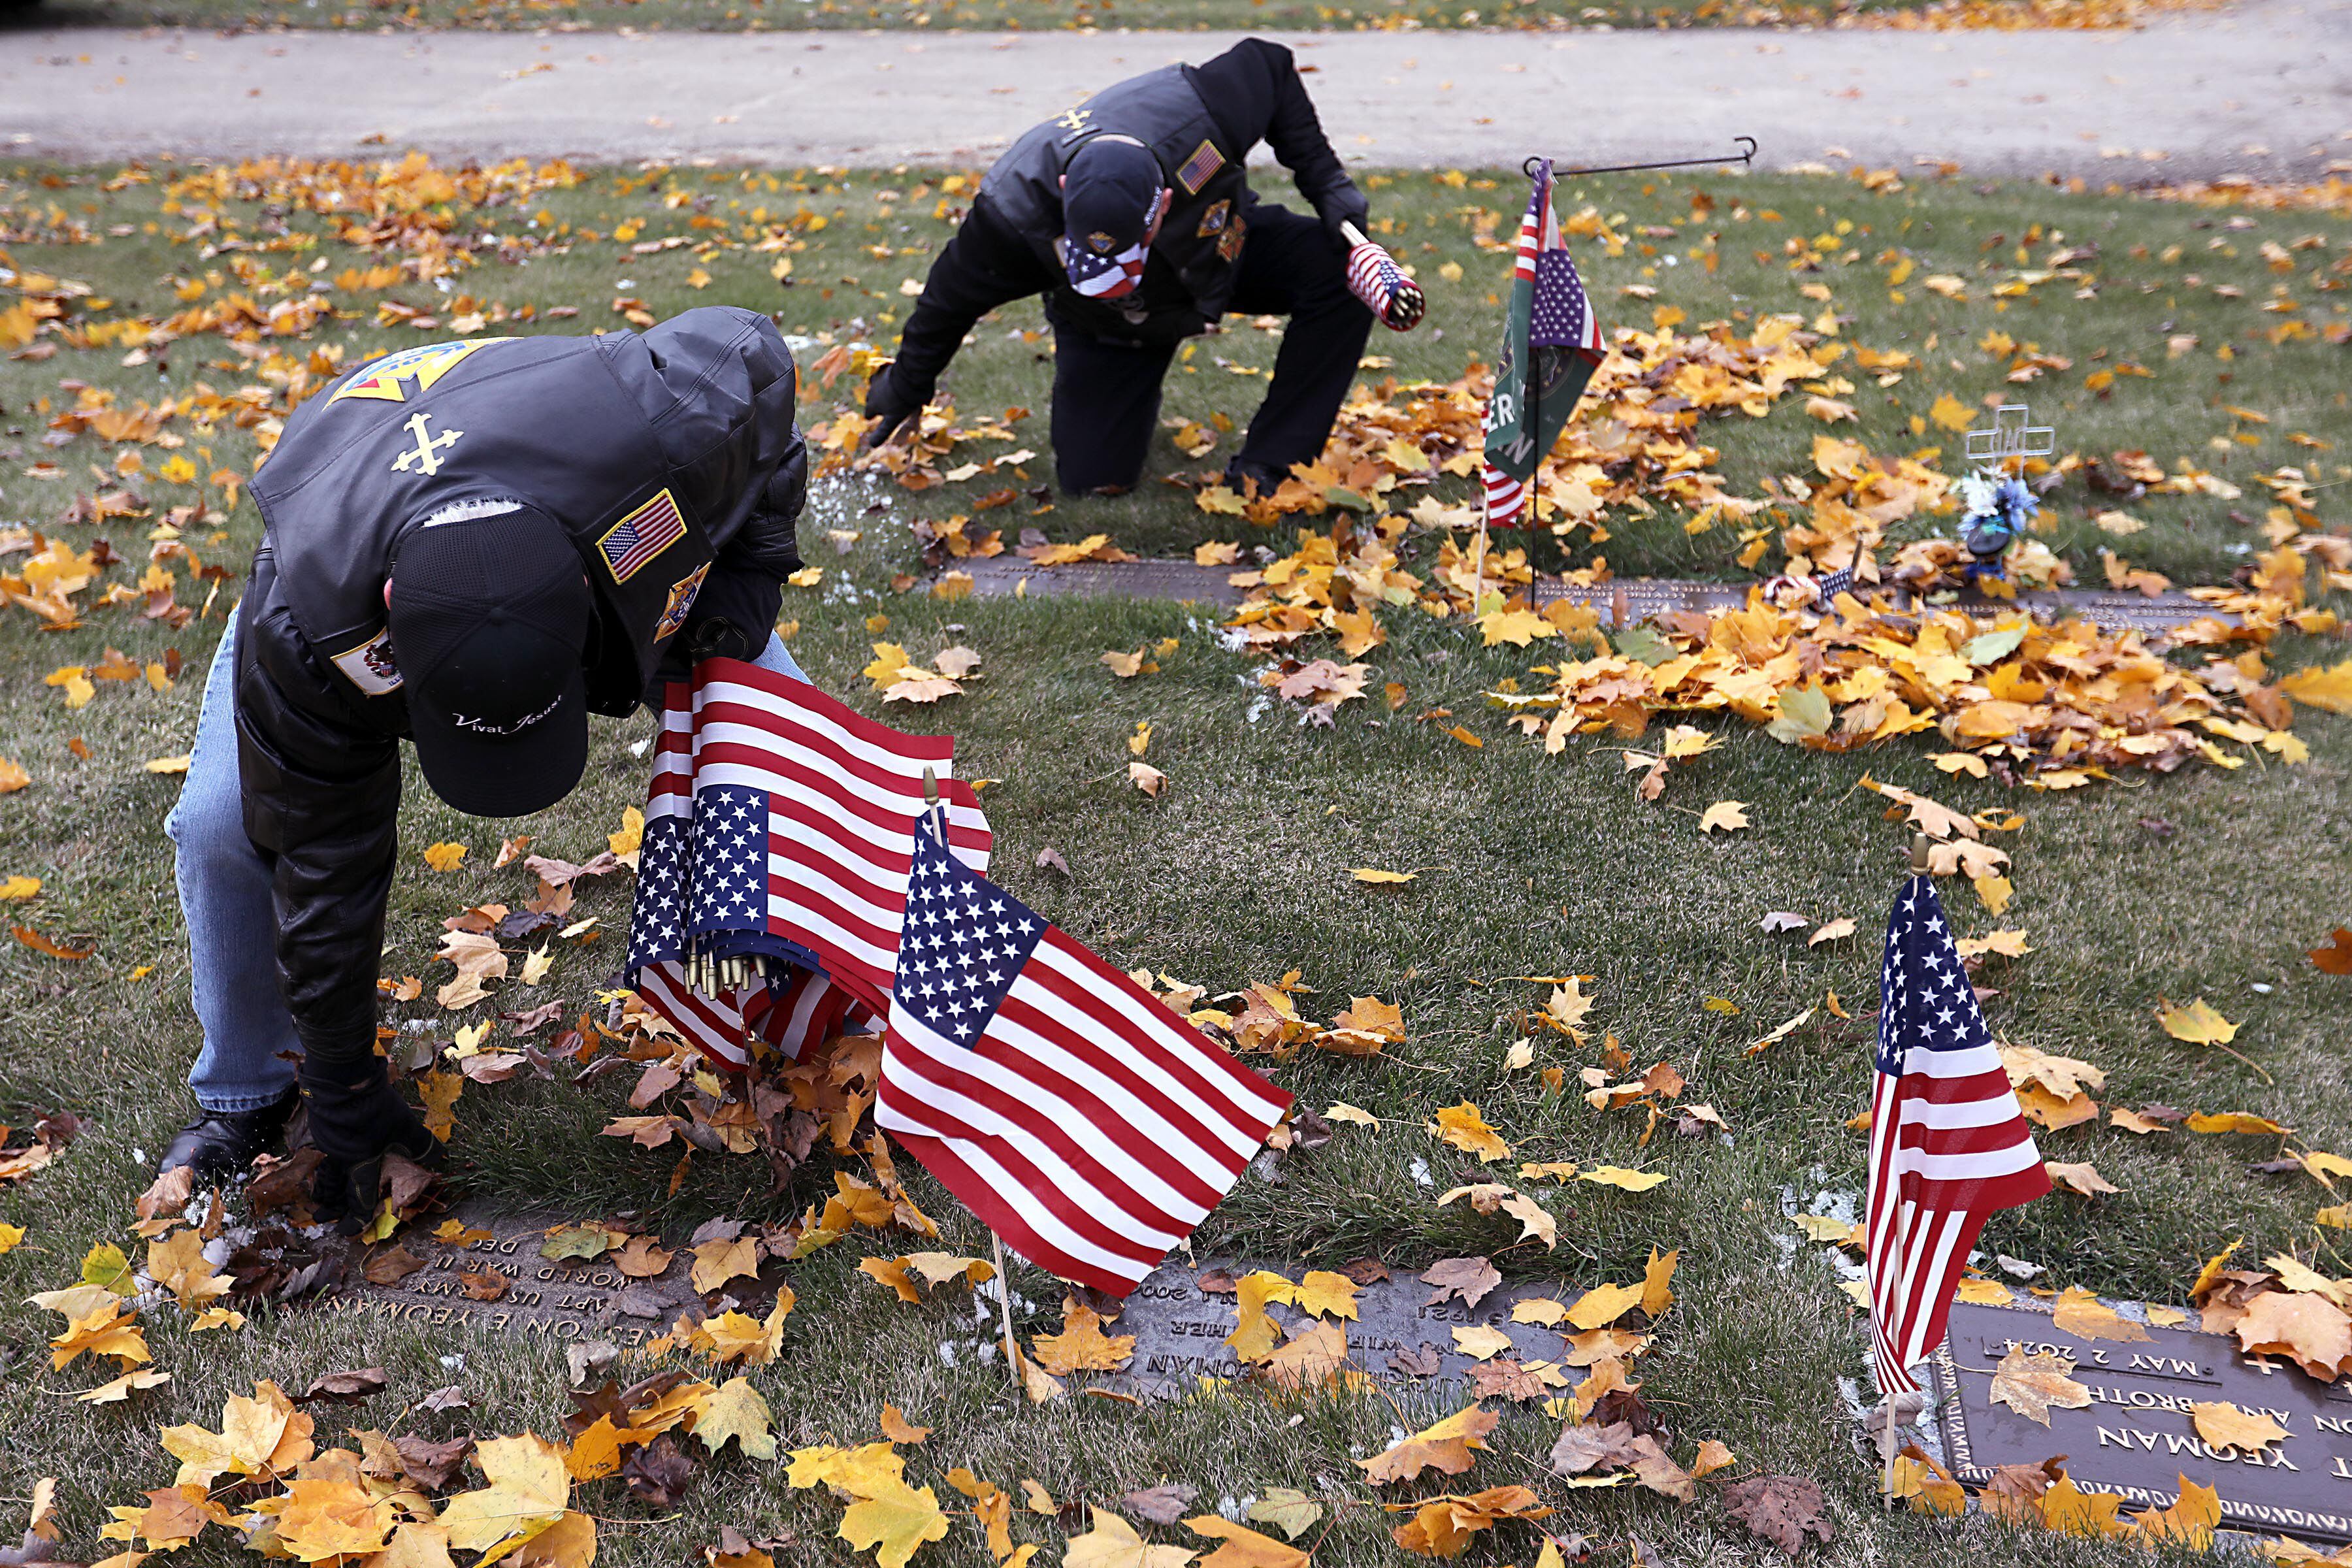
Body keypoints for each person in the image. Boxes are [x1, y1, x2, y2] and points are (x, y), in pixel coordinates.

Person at [161, 307, 810, 1227]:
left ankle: (831, 1013)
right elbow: (324, 855)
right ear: (390, 626)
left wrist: (737, 604)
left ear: (590, 591)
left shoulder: (676, 434)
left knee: (782, 745)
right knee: (225, 825)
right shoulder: (312, 618)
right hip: (356, 464)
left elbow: (764, 384)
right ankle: (244, 1092)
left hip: (566, 449)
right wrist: (343, 1087)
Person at [861, 37, 1375, 497]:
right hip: (1113, 326)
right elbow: (947, 301)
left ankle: (1270, 467)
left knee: (1343, 270)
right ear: (1065, 194)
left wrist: (1326, 181)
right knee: (1094, 480)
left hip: (1215, 247)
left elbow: (1272, 65)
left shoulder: (1203, 113)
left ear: (1164, 205)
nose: (1110, 270)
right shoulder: (1011, 214)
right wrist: (907, 386)